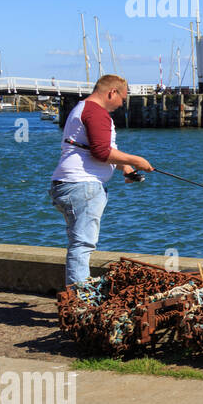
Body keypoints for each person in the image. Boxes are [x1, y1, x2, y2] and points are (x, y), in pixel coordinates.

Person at [49, 75, 154, 287]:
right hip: (82, 186)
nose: (122, 103)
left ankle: (78, 298)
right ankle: (79, 303)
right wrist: (136, 160)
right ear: (111, 92)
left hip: (67, 184)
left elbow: (90, 147)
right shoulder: (97, 112)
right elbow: (100, 152)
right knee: (82, 244)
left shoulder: (82, 108)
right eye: (122, 98)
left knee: (79, 242)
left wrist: (125, 167)